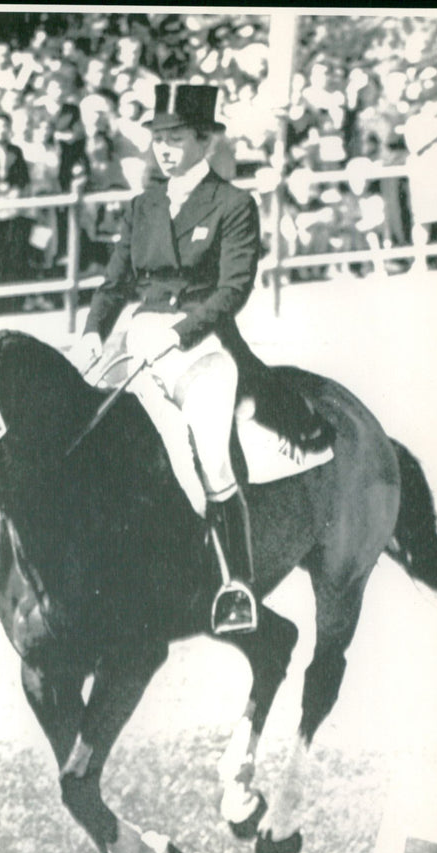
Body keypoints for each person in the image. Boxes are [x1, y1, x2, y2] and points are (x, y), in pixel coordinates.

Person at [74, 83, 331, 634]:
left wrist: (183, 332)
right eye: (157, 139)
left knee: (208, 456)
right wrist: (95, 330)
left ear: (206, 140)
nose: (164, 149)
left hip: (203, 347)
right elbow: (115, 280)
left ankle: (236, 586)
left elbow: (233, 289)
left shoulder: (234, 205)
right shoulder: (143, 205)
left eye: (175, 138)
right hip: (136, 337)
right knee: (80, 423)